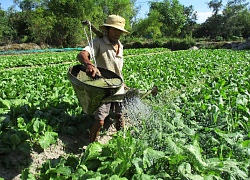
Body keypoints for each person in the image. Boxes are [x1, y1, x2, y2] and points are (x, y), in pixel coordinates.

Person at [77, 14, 129, 143]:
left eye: (120, 31)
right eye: (114, 30)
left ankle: (120, 141)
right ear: (107, 29)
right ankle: (91, 145)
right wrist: (89, 64)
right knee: (100, 121)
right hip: (103, 87)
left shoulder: (120, 45)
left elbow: (117, 69)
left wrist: (123, 83)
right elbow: (82, 54)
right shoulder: (98, 42)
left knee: (119, 116)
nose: (117, 33)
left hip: (117, 87)